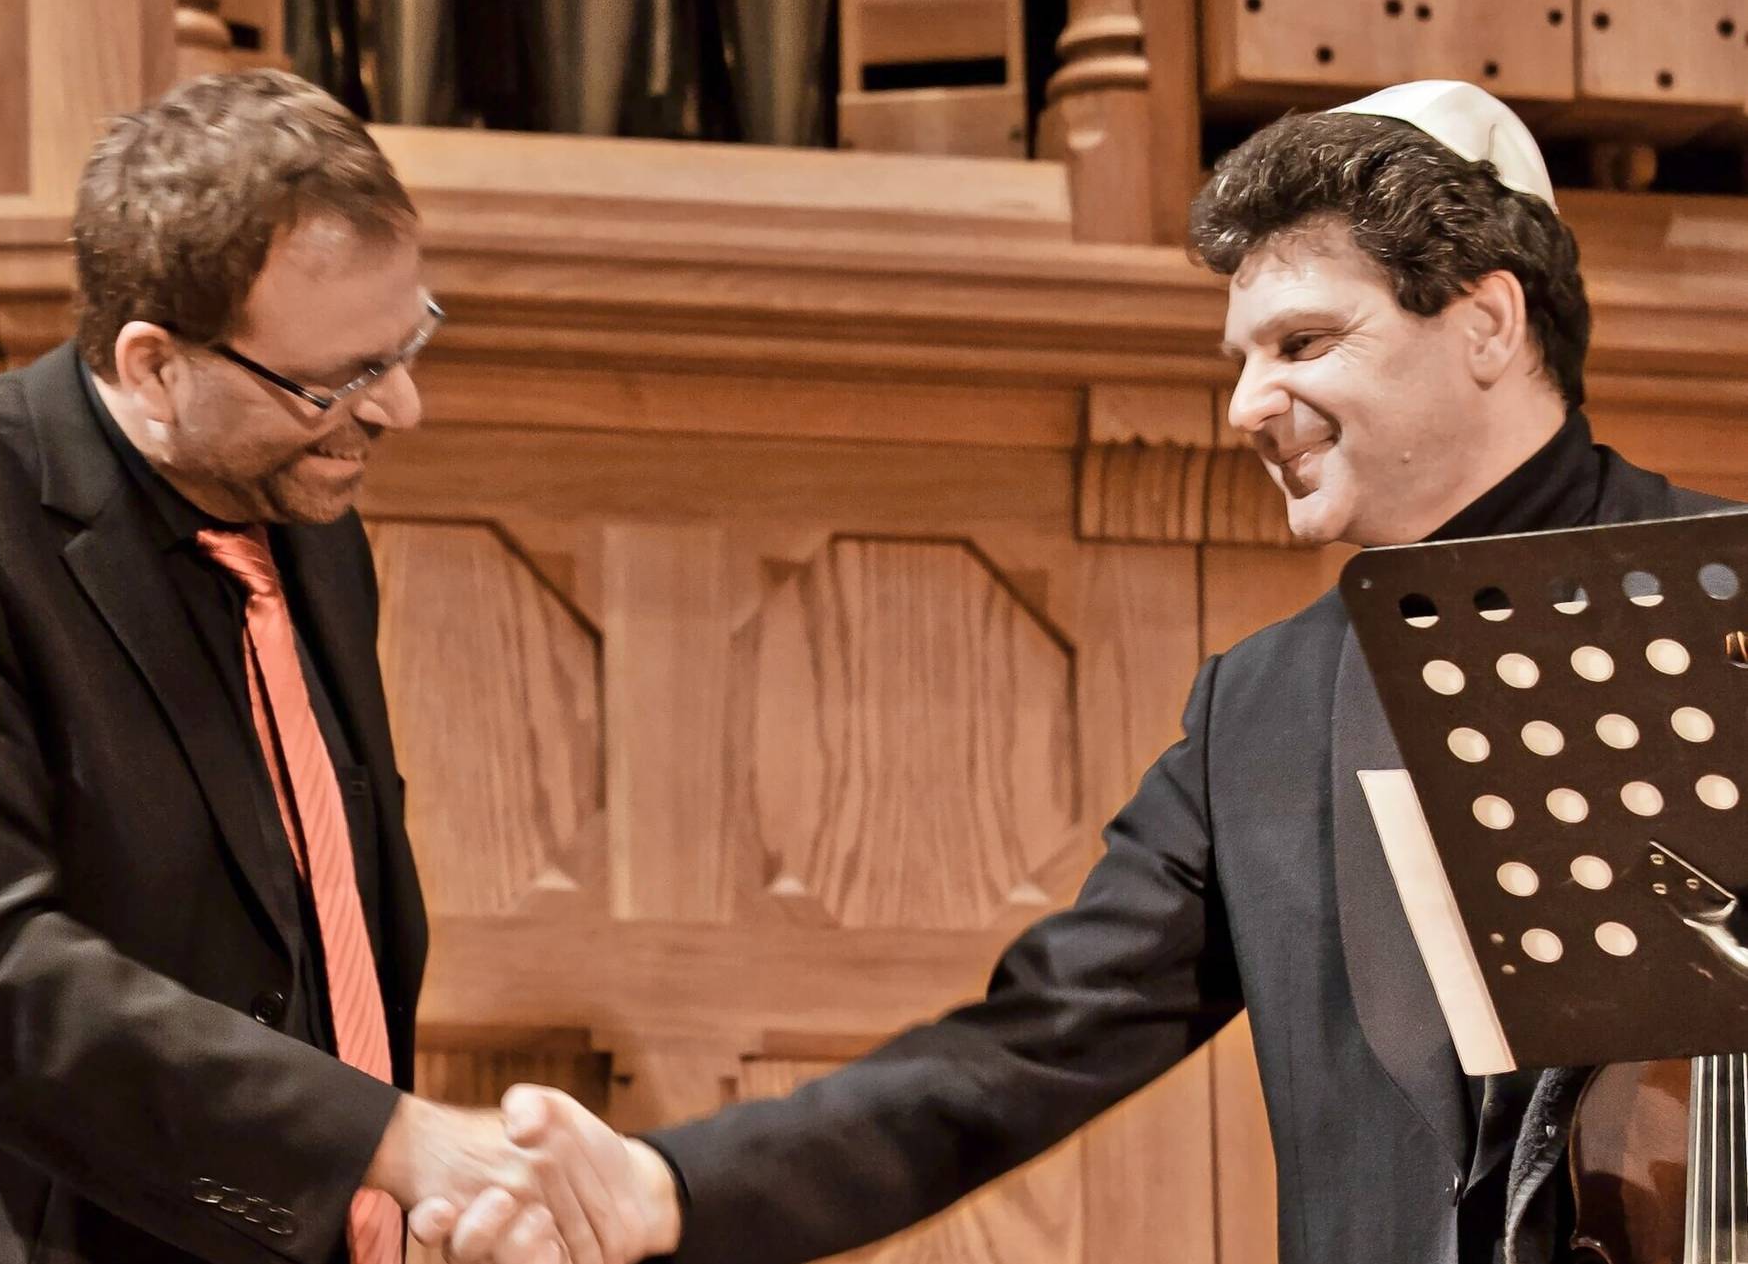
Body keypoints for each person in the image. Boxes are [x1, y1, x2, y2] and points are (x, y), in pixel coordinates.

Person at [415, 80, 1730, 1264]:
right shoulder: (1263, 711)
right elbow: (1037, 1040)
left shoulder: (1730, 605)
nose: (1244, 405)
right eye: (1240, 359)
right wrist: (669, 1186)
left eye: (1302, 343)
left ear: (1488, 323)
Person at [0, 69, 669, 1264]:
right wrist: (389, 1140)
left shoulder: (310, 527)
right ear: (154, 364)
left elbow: (299, 947)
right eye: (339, 380)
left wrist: (376, 1207)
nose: (401, 407)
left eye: (407, 342)